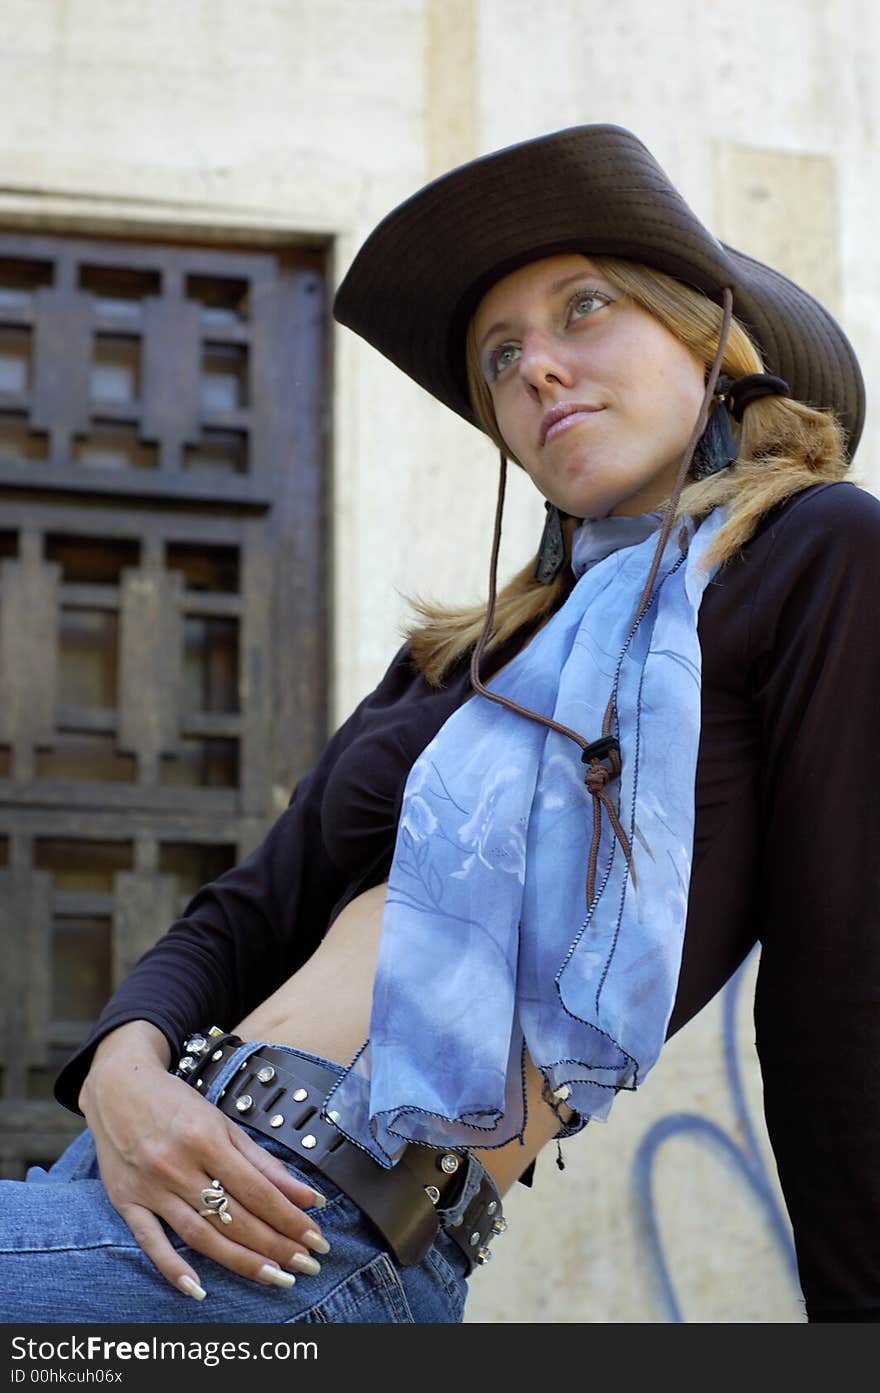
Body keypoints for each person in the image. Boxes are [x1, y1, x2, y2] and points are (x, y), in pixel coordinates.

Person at [1, 123, 878, 1325]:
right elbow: (251, 908)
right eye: (500, 354)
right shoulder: (455, 659)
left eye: (583, 311)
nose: (534, 370)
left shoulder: (815, 556)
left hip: (306, 1233)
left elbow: (845, 985)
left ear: (710, 342)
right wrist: (118, 1072)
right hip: (123, 1173)